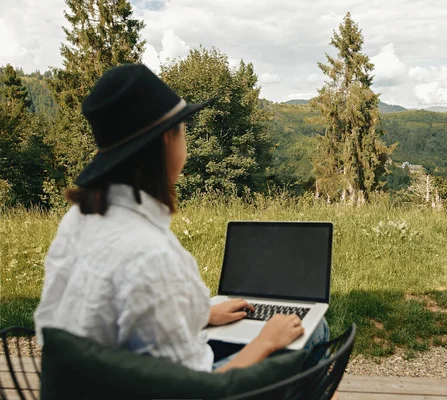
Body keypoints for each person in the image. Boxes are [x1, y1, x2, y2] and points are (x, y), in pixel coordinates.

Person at [33, 64, 330, 374]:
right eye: (183, 128)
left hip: (92, 388)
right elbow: (200, 390)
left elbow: (119, 322)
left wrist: (202, 314)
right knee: (313, 330)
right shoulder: (151, 256)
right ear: (167, 140)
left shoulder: (79, 220)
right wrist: (266, 341)